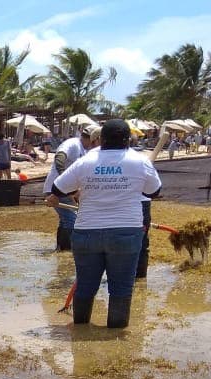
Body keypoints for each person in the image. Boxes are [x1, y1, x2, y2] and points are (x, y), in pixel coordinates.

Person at [46, 118, 162, 329]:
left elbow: (57, 188)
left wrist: (84, 189)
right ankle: (114, 343)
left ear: (101, 139)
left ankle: (80, 333)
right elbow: (154, 191)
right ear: (128, 140)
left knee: (86, 286)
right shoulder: (140, 161)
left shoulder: (86, 161)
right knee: (121, 289)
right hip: (126, 234)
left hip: (87, 233)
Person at [43, 125, 100, 251]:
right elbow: (59, 158)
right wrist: (65, 181)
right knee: (72, 220)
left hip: (68, 191)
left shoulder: (85, 151)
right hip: (57, 189)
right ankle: (68, 251)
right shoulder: (73, 144)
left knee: (65, 220)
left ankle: (61, 250)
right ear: (91, 139)